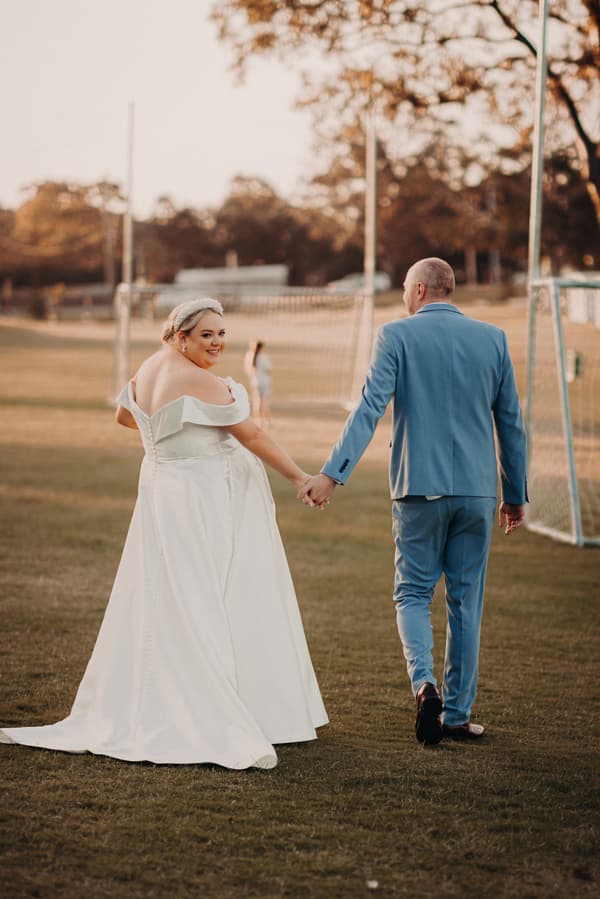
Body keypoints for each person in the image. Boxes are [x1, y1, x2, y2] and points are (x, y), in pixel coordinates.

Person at [0, 298, 327, 769]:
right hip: (197, 497)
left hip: (161, 491)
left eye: (221, 333)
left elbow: (124, 415)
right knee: (200, 597)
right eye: (205, 336)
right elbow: (250, 435)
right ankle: (203, 710)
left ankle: (162, 698)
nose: (216, 343)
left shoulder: (150, 369)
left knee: (166, 596)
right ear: (180, 337)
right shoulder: (200, 380)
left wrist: (166, 437)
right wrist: (299, 478)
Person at [300, 258, 527, 746]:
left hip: (417, 489)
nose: (404, 295)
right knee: (466, 603)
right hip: (476, 490)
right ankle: (458, 715)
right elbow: (510, 423)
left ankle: (425, 685)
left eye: (406, 288)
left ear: (420, 289)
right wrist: (516, 495)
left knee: (412, 594)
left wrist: (331, 475)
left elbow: (368, 408)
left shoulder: (395, 336)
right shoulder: (493, 338)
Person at [243, 340, 272, 425]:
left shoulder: (249, 356)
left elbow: (247, 370)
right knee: (264, 402)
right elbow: (269, 370)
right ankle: (266, 420)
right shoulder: (263, 357)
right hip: (264, 381)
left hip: (255, 381)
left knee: (257, 401)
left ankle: (257, 420)